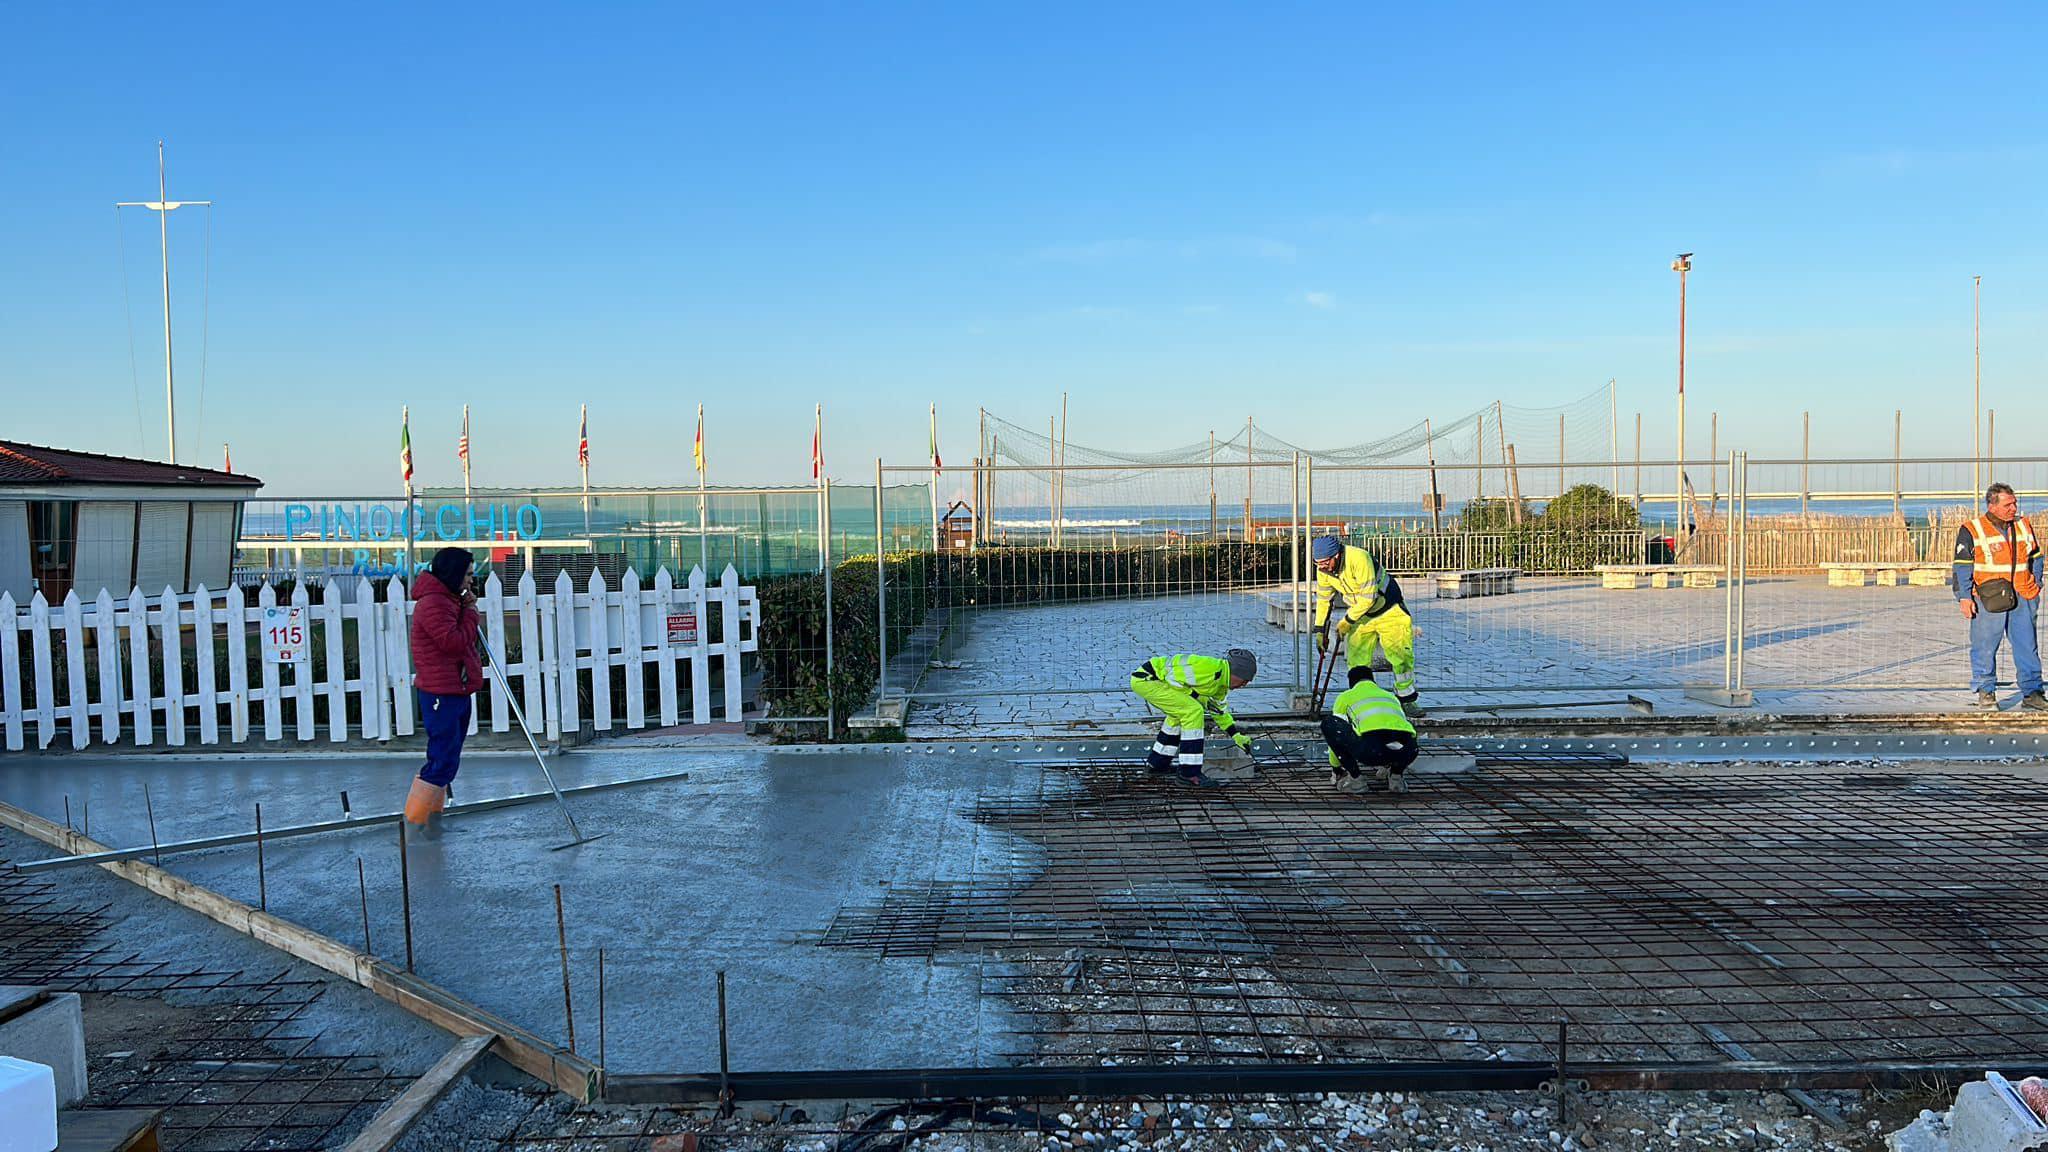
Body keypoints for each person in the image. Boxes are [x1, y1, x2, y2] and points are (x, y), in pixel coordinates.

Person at [405, 547, 483, 835]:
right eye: (467, 576)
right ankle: (414, 823)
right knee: (442, 759)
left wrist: (465, 608)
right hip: (442, 692)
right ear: (453, 574)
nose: (470, 582)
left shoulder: (448, 600)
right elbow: (453, 642)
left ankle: (431, 819)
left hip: (455, 689)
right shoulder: (434, 604)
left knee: (448, 757)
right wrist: (472, 613)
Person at [1955, 483, 2046, 710]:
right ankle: (1986, 691)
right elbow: (1962, 567)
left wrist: (2036, 583)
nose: (2013, 508)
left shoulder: (2023, 525)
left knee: (2027, 646)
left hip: (2023, 595)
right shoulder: (1972, 529)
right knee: (1985, 646)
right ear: (1992, 506)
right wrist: (1965, 597)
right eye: (2008, 504)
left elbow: (2037, 555)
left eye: (2014, 503)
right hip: (1988, 598)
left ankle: (2032, 692)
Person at [1311, 535, 1424, 717]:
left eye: (1325, 563)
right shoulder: (1323, 571)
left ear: (1336, 556)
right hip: (1360, 615)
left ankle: (1407, 699)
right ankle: (1361, 700)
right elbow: (1324, 599)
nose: (1322, 567)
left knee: (1401, 657)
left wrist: (1346, 622)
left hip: (1389, 610)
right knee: (1356, 661)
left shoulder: (1359, 558)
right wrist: (1319, 630)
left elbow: (1368, 597)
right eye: (1317, 564)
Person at [1131, 649, 1257, 785]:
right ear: (1235, 673)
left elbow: (1218, 711)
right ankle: (1189, 774)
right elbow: (1172, 679)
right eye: (1244, 681)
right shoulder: (1208, 668)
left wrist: (1236, 735)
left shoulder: (1222, 684)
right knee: (1193, 711)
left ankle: (1157, 765)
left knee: (1178, 716)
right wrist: (1197, 696)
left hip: (1155, 681)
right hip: (1147, 678)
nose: (1244, 685)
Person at [1320, 677, 1420, 794]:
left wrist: (1336, 768)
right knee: (1398, 733)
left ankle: (1356, 781)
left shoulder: (1346, 696)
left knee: (1330, 723)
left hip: (1371, 752)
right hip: (1409, 751)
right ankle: (1396, 778)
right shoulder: (1391, 696)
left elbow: (1336, 736)